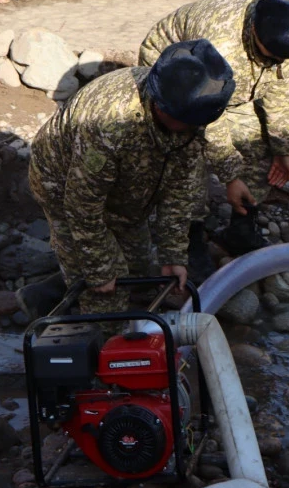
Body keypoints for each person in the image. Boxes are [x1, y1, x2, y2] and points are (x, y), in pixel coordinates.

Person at [17, 39, 236, 320]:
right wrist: (99, 266)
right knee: (105, 291)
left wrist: (173, 255)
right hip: (62, 182)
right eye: (188, 124)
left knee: (139, 269)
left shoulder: (196, 113)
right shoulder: (111, 123)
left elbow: (179, 190)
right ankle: (94, 329)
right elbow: (82, 205)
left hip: (125, 182)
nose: (194, 130)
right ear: (163, 107)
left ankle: (45, 294)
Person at [139, 0, 289, 257]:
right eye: (270, 56)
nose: (276, 62)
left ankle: (241, 228)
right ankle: (189, 239)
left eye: (280, 58)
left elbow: (278, 88)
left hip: (227, 81)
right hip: (182, 81)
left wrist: (283, 148)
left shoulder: (286, 29)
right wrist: (231, 176)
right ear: (253, 31)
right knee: (188, 153)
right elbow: (207, 118)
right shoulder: (222, 42)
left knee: (257, 140)